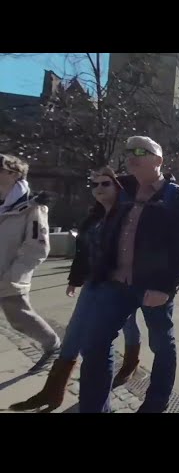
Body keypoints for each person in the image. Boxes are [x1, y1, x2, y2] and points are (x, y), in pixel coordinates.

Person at [78, 136, 179, 413]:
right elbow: (97, 220)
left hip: (153, 286)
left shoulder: (178, 198)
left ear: (158, 160)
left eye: (141, 151)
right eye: (129, 150)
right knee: (95, 342)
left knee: (161, 344)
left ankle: (155, 404)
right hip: (116, 283)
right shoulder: (121, 188)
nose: (132, 155)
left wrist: (166, 288)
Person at [10, 167, 141, 412]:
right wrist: (74, 279)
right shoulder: (94, 217)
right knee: (73, 336)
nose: (99, 189)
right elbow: (82, 252)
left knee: (105, 340)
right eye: (95, 185)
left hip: (117, 285)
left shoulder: (127, 215)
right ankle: (53, 391)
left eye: (106, 184)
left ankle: (121, 374)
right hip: (93, 283)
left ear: (118, 188)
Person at [0, 154, 61, 372]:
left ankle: (53, 346)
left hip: (10, 277)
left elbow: (38, 248)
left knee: (19, 317)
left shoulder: (33, 207)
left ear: (13, 174)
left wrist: (14, 276)